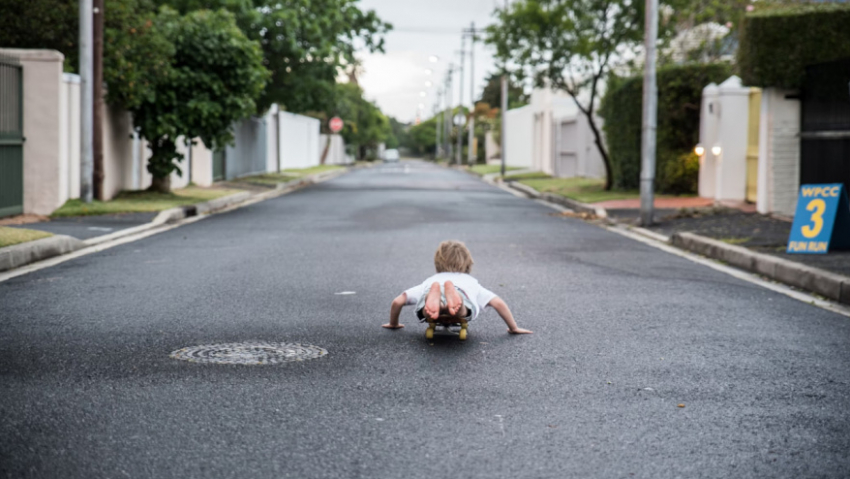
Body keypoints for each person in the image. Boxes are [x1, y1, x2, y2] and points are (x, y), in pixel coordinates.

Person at [382, 240, 532, 337]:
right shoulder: (470, 281)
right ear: (468, 264)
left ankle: (433, 299)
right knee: (463, 309)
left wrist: (393, 323)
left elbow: (398, 301)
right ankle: (456, 300)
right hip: (461, 292)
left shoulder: (432, 280)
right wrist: (513, 328)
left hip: (431, 296)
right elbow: (498, 303)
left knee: (428, 302)